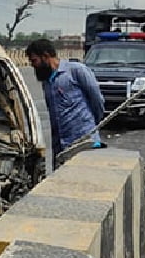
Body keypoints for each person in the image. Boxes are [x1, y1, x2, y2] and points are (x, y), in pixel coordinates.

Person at [25, 39, 105, 168]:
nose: (33, 65)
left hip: (85, 143)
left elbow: (97, 101)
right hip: (61, 147)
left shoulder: (76, 71)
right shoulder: (47, 82)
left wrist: (91, 125)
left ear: (45, 56)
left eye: (34, 60)